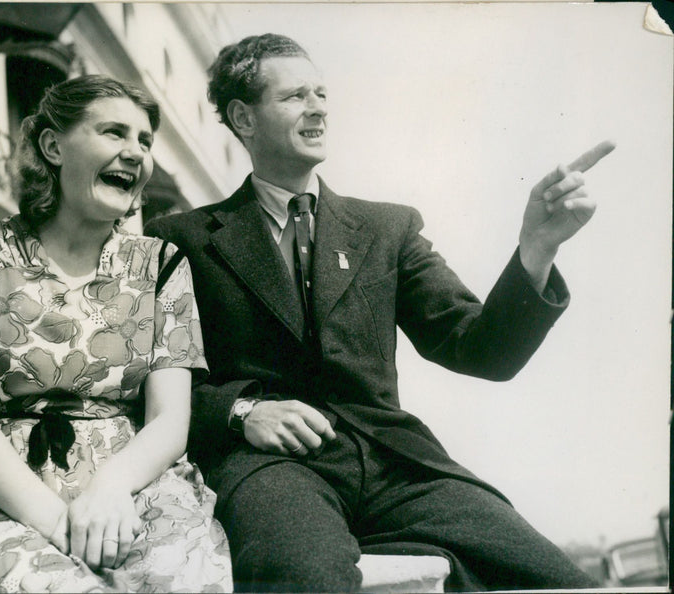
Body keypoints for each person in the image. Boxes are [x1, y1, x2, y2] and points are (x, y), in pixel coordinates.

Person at [145, 33, 615, 592]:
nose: (318, 107)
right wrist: (243, 411)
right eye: (296, 96)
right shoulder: (181, 239)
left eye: (321, 93)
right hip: (272, 467)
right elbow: (149, 384)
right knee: (298, 576)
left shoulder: (389, 228)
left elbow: (482, 350)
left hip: (398, 464)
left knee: (555, 579)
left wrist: (536, 250)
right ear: (243, 118)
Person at [0, 75, 232, 593]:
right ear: (53, 146)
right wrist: (60, 524)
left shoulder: (162, 264)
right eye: (114, 133)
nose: (135, 153)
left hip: (136, 487)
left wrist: (108, 489)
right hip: (2, 496)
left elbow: (171, 421)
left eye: (144, 141)